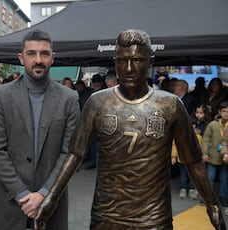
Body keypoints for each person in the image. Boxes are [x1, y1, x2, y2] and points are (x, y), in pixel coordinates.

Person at [34, 29, 226, 229]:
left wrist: (212, 203)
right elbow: (74, 154)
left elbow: (193, 161)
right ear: (115, 61)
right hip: (106, 215)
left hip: (154, 216)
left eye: (137, 60)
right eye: (122, 60)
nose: (128, 68)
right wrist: (52, 197)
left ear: (150, 61)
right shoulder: (98, 102)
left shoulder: (170, 105)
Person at [0, 29, 80, 230]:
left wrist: (44, 193)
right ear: (21, 58)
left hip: (52, 203)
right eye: (32, 54)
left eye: (44, 53)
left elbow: (70, 153)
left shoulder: (69, 99)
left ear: (52, 58)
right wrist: (22, 194)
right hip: (8, 202)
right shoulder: (2, 96)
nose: (38, 59)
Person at [202, 101, 228, 215]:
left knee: (224, 178)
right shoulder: (213, 124)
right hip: (213, 156)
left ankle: (223, 198)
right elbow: (206, 140)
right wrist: (204, 153)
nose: (226, 114)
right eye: (224, 111)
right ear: (219, 112)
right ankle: (208, 198)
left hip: (225, 159)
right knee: (210, 177)